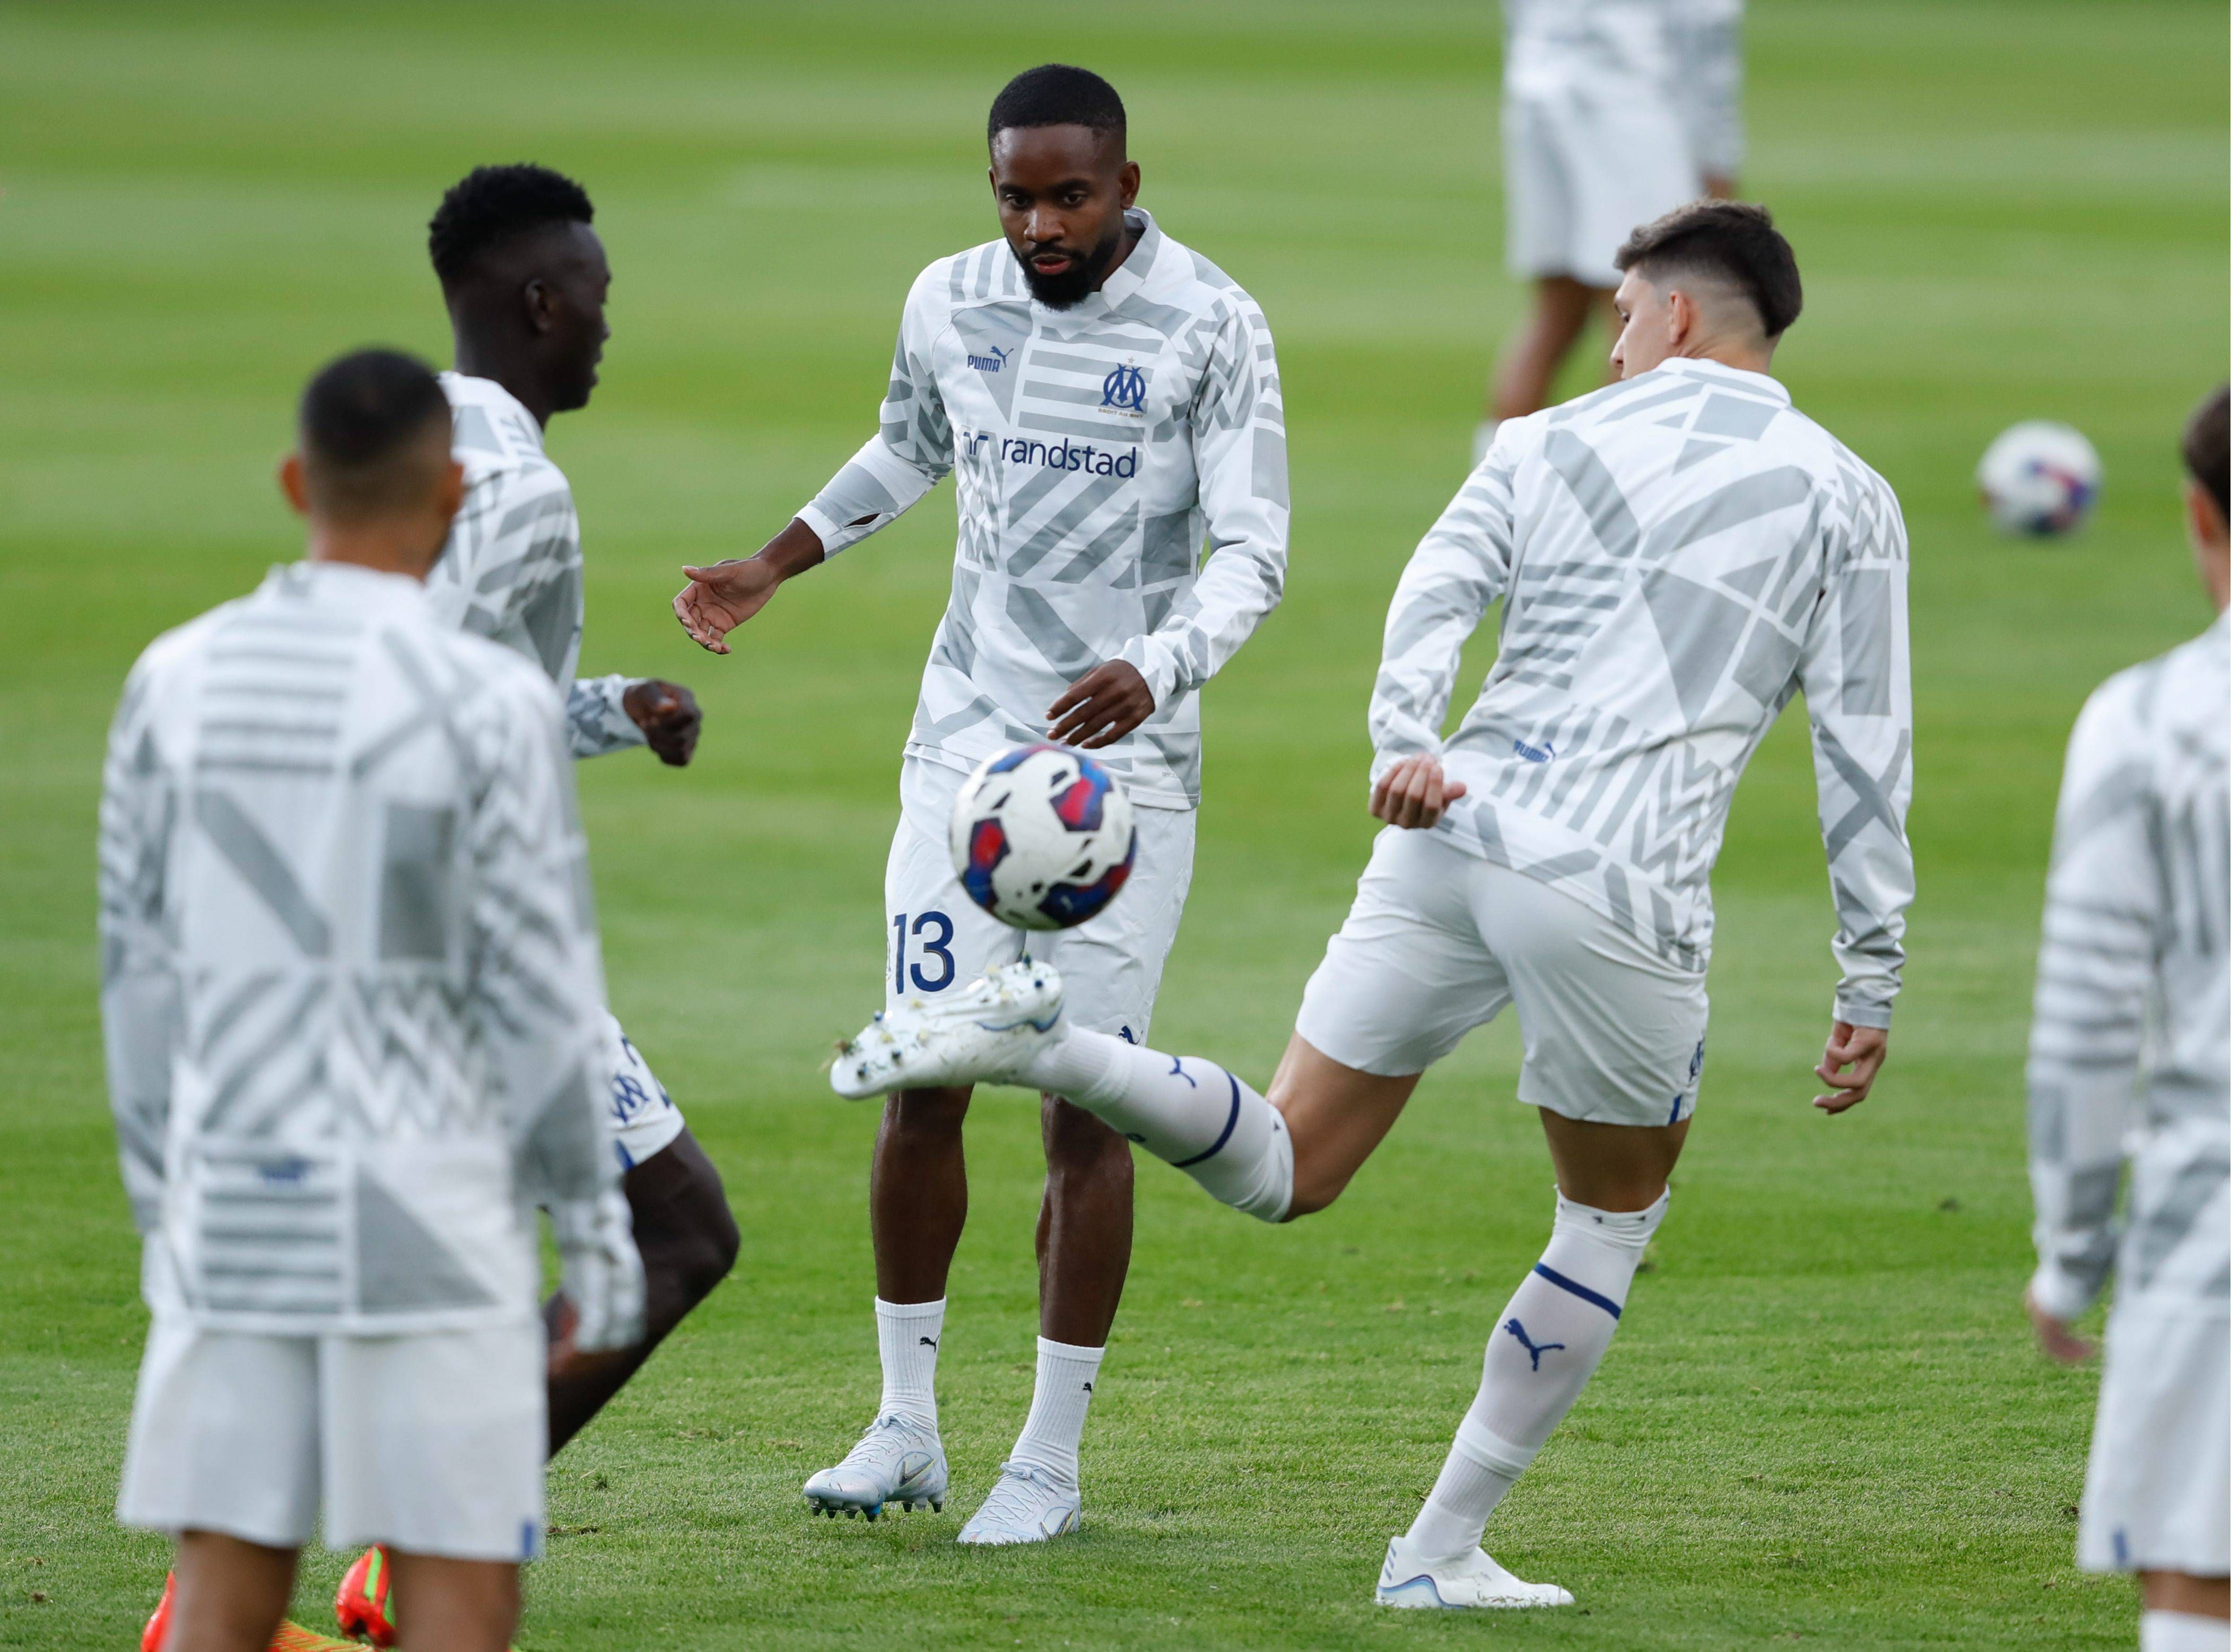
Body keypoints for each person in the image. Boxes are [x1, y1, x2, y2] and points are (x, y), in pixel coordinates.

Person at [834, 199, 1914, 1609]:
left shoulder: (1534, 443)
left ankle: (1045, 1045)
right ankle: (1438, 1549)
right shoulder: (1846, 493)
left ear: (1678, 316)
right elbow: (1861, 745)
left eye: (1615, 316)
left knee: (1288, 1161)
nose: (1602, 346)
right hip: (1614, 880)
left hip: (1447, 825)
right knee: (1602, 1222)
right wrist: (1870, 971)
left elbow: (1432, 590)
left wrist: (1405, 745)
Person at [673, 64, 1287, 1543]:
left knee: (1083, 1098)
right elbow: (908, 445)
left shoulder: (1212, 321)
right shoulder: (949, 297)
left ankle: (1049, 1460)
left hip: (1118, 776)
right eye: (1013, 193)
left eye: (1067, 194)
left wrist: (1157, 666)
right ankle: (901, 1427)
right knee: (920, 1073)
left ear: (1126, 186)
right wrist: (775, 559)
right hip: (963, 749)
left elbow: (1251, 548)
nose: (1037, 222)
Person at [107, 349, 643, 1652]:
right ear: (455, 492)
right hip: (433, 1214)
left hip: (235, 1199)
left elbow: (139, 983)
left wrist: (161, 1208)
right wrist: (594, 1227)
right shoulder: (488, 700)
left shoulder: (171, 679)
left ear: (297, 481)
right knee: (459, 1599)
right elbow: (538, 987)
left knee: (223, 1596)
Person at [322, 162, 740, 1647]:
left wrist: (619, 707)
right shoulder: (518, 486)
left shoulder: (422, 451)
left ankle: (368, 1561)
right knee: (674, 1236)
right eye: (600, 304)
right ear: (543, 300)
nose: (607, 334)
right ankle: (391, 1561)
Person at [2024, 385, 2228, 1652]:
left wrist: (2068, 1253)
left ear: (2196, 518)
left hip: (2209, 1222)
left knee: (2197, 1579)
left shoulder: (2147, 724)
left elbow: (2085, 1018)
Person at [1480, 0, 1745, 462]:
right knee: (1644, 319)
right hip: (1633, 104)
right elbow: (1705, 34)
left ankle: (1492, 507)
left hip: (1538, 93)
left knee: (1556, 315)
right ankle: (1605, 509)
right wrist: (1717, 161)